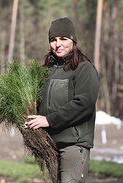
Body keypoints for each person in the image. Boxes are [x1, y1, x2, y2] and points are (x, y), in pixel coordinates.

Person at [25, 17, 100, 183]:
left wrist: (49, 120)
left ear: (73, 41)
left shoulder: (84, 69)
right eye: (53, 40)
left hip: (73, 145)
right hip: (50, 145)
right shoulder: (47, 72)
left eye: (63, 39)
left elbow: (84, 104)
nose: (57, 44)